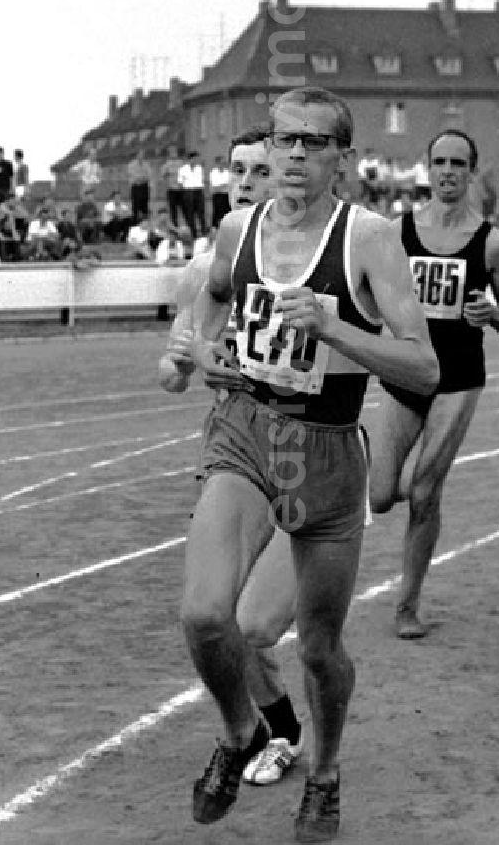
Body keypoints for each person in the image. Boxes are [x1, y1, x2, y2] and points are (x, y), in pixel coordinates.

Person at [182, 86, 438, 841]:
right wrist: (203, 348)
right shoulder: (238, 227)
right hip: (248, 431)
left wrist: (335, 328)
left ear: (342, 157)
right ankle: (240, 736)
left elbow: (421, 367)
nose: (295, 155)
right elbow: (214, 298)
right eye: (285, 140)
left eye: (313, 143)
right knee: (204, 615)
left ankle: (324, 773)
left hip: (326, 450)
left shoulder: (369, 239)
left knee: (320, 652)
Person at [160, 126, 306, 790]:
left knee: (267, 619)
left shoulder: (320, 252)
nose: (244, 183)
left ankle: (286, 729)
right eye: (236, 171)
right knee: (227, 616)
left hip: (307, 450)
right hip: (234, 447)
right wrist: (186, 359)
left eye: (258, 172)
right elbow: (176, 360)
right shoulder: (210, 263)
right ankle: (279, 731)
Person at [367, 128, 499, 639]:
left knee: (426, 493)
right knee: (381, 495)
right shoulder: (397, 233)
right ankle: (378, 457)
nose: (448, 171)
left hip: (458, 377)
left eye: (459, 162)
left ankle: (407, 606)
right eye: (440, 162)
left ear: (471, 171)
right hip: (406, 370)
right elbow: (370, 294)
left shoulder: (492, 243)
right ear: (427, 169)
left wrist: (492, 314)